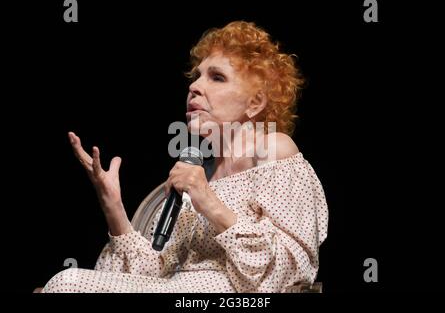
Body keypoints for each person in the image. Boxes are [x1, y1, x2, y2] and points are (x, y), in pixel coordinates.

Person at [38, 21, 328, 293]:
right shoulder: (198, 171)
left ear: (255, 102)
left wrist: (208, 201)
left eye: (217, 77)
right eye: (197, 76)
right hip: (177, 290)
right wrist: (112, 205)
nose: (195, 86)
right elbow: (148, 276)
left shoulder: (274, 150)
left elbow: (290, 270)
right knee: (69, 282)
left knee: (69, 282)